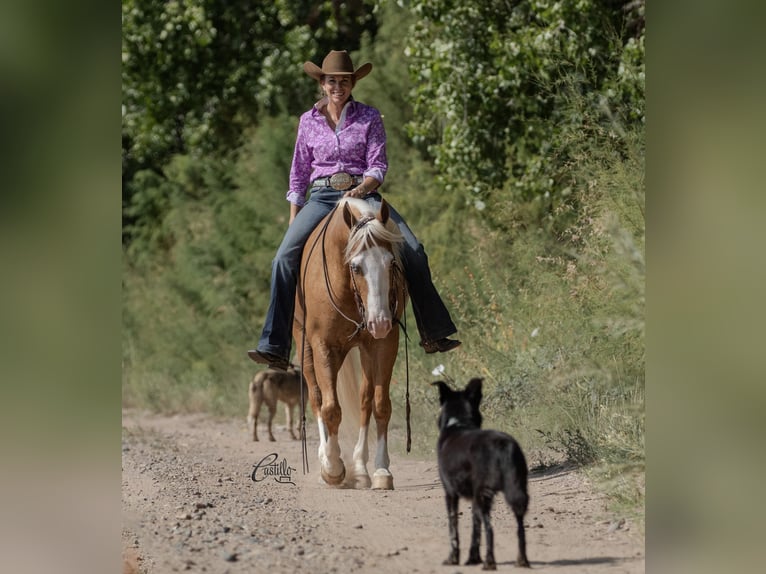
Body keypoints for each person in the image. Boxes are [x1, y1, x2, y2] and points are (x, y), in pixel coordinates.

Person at [248, 50, 460, 371]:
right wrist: (294, 217)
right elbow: (298, 173)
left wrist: (359, 190)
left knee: (414, 250)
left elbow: (378, 166)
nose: (338, 86)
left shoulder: (370, 117)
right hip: (320, 197)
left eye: (344, 81)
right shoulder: (307, 122)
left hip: (364, 193)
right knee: (282, 259)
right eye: (332, 80)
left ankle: (433, 332)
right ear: (322, 83)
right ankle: (275, 343)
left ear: (352, 83)